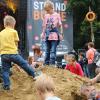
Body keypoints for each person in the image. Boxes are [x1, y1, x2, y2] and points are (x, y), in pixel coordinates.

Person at [0, 15, 35, 90]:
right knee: (23, 63)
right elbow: (16, 43)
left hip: (3, 55)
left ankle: (6, 86)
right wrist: (16, 50)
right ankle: (33, 74)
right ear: (13, 24)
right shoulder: (14, 31)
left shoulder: (1, 33)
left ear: (4, 24)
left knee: (5, 70)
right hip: (13, 53)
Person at [41, 0, 63, 65]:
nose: (47, 12)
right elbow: (44, 26)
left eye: (48, 10)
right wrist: (43, 33)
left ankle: (52, 65)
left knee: (53, 51)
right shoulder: (46, 16)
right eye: (46, 10)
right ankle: (46, 64)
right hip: (47, 36)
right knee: (47, 51)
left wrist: (61, 34)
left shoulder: (57, 15)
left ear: (51, 8)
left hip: (54, 36)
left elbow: (60, 25)